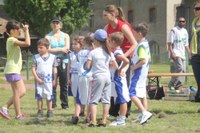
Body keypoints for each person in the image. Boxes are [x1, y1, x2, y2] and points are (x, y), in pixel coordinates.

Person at [103, 4, 138, 117]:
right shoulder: (107, 27)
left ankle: (125, 111)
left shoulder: (123, 26)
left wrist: (123, 57)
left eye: (105, 15)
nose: (103, 17)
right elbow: (105, 43)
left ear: (113, 15)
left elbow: (134, 43)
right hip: (114, 58)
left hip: (124, 57)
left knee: (123, 83)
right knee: (113, 83)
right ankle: (113, 110)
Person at [85, 29, 118, 127]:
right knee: (106, 99)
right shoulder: (109, 52)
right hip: (107, 77)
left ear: (96, 41)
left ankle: (93, 121)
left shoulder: (93, 52)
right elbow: (115, 66)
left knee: (94, 100)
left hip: (98, 77)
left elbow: (87, 67)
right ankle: (104, 120)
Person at [0, 20, 30, 120]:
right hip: (12, 70)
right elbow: (27, 43)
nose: (20, 31)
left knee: (22, 92)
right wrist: (27, 31)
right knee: (17, 93)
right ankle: (18, 115)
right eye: (18, 29)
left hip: (14, 70)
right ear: (12, 31)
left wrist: (25, 31)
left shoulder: (12, 40)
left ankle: (4, 107)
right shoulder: (11, 40)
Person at [129, 23, 152, 124]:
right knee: (142, 94)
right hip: (143, 72)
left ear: (139, 34)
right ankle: (144, 115)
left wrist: (134, 67)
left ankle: (144, 112)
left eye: (134, 32)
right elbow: (149, 59)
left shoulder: (141, 46)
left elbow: (142, 60)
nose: (132, 34)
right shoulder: (146, 43)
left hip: (138, 73)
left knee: (131, 93)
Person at [45, 17, 70, 109]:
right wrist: (61, 49)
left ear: (60, 25)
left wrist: (57, 50)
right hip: (52, 61)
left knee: (64, 83)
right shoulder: (48, 36)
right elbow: (48, 49)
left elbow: (67, 48)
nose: (56, 24)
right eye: (54, 22)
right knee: (53, 83)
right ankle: (53, 103)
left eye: (57, 23)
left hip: (64, 61)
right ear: (51, 24)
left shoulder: (66, 36)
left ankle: (64, 104)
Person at [32, 38, 58, 118]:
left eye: (41, 47)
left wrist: (55, 79)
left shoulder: (53, 57)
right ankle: (40, 111)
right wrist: (37, 78)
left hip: (49, 80)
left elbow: (55, 68)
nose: (39, 49)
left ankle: (49, 110)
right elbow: (33, 68)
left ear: (47, 47)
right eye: (38, 47)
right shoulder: (36, 57)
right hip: (39, 80)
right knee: (39, 96)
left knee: (49, 95)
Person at [108, 32, 130, 126]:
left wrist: (121, 69)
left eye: (109, 41)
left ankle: (122, 120)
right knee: (120, 98)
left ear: (113, 41)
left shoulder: (117, 53)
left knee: (122, 99)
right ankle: (121, 117)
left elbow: (127, 60)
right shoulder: (118, 51)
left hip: (118, 80)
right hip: (118, 79)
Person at [71, 36, 94, 124]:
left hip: (80, 76)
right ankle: (88, 116)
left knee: (78, 98)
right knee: (89, 99)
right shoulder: (93, 52)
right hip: (90, 77)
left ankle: (76, 115)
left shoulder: (80, 53)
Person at [168, 17, 191, 91]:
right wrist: (172, 53)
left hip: (182, 54)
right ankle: (171, 84)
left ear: (185, 22)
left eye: (183, 21)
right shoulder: (174, 30)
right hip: (176, 52)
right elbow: (169, 43)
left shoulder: (185, 31)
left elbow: (186, 44)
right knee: (180, 68)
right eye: (180, 21)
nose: (181, 22)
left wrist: (189, 53)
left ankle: (177, 86)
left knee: (183, 72)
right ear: (178, 22)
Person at [190, 0, 200, 102]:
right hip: (195, 55)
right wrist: (190, 53)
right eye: (195, 9)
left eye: (198, 8)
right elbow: (192, 38)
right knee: (198, 79)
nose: (195, 10)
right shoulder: (194, 22)